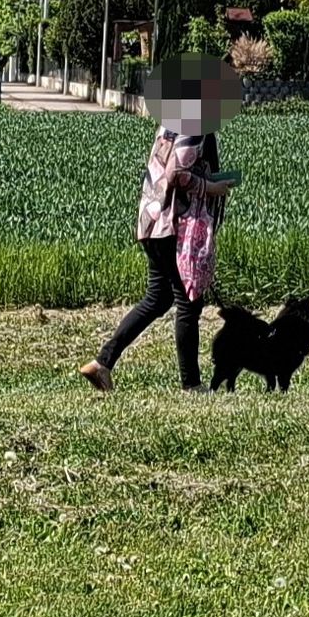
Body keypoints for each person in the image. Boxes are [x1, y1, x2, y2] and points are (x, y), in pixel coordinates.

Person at [81, 57, 234, 389]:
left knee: (158, 297)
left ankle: (102, 362)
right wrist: (213, 187)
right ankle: (192, 386)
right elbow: (177, 174)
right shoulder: (196, 122)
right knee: (189, 302)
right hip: (173, 227)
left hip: (152, 221)